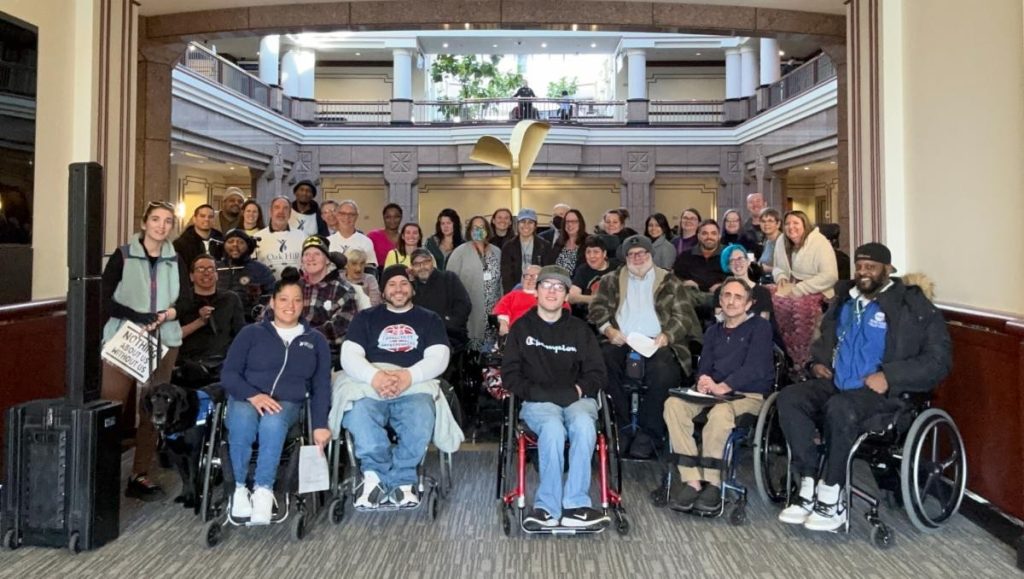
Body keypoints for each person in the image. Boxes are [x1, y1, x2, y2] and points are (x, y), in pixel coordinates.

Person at [776, 243, 951, 532]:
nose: (863, 272)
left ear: (888, 269)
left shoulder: (912, 305)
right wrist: (816, 363)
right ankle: (808, 484)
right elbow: (824, 342)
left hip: (885, 396)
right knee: (790, 397)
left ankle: (832, 496)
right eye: (859, 266)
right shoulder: (845, 299)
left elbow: (938, 361)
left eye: (870, 266)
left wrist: (890, 376)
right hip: (838, 385)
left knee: (840, 407)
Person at [502, 265, 610, 529]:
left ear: (565, 296)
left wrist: (576, 391)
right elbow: (510, 376)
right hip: (538, 401)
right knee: (552, 429)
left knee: (585, 426)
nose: (552, 291)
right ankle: (547, 508)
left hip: (576, 399)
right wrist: (539, 393)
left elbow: (597, 374)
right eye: (546, 285)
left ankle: (576, 505)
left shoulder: (580, 330)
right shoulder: (521, 329)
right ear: (536, 291)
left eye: (558, 287)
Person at [221, 267, 332, 524]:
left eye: (296, 300)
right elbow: (229, 375)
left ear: (303, 304)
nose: (289, 306)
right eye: (283, 299)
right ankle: (239, 489)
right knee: (242, 418)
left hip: (288, 403)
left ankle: (263, 490)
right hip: (246, 398)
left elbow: (321, 386)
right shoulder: (251, 334)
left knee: (273, 421)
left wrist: (320, 425)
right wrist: (253, 396)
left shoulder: (315, 340)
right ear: (272, 302)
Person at [340, 265, 451, 507]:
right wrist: (376, 377)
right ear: (383, 290)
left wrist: (407, 377)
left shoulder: (429, 319)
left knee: (420, 416)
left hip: (415, 383)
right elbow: (349, 355)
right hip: (371, 382)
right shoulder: (366, 317)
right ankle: (374, 476)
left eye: (403, 284)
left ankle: (403, 479)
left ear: (412, 289)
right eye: (392, 284)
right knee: (359, 414)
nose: (398, 289)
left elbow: (439, 357)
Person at [662, 277, 774, 513]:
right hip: (713, 394)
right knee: (674, 405)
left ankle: (713, 481)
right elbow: (705, 365)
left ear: (748, 304)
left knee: (721, 413)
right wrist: (703, 380)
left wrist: (724, 385)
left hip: (748, 395)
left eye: (738, 297)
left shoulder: (759, 328)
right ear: (720, 300)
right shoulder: (713, 330)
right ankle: (691, 479)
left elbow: (756, 367)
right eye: (727, 296)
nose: (731, 301)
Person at [101, 201, 188, 501]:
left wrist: (165, 316)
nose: (161, 226)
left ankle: (139, 474)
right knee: (111, 406)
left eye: (167, 221)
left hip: (164, 341)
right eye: (155, 219)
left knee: (154, 409)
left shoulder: (175, 259)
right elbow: (103, 297)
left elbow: (186, 301)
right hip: (125, 339)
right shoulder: (123, 256)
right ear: (144, 223)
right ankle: (102, 475)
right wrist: (136, 316)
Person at [589, 235, 702, 459]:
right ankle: (620, 429)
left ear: (650, 256)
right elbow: (597, 309)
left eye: (642, 254)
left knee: (664, 371)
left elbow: (683, 315)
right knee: (602, 363)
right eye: (632, 254)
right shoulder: (612, 280)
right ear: (626, 258)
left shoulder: (669, 281)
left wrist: (667, 336)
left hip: (657, 341)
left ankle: (649, 434)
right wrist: (608, 330)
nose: (637, 258)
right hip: (622, 339)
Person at [771, 210, 839, 368]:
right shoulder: (782, 240)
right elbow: (777, 267)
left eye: (796, 223)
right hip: (789, 287)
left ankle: (802, 360)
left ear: (804, 225)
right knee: (766, 298)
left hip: (816, 289)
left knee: (798, 309)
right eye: (787, 223)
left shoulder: (819, 242)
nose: (791, 227)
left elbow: (830, 276)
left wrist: (800, 288)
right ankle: (781, 354)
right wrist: (780, 276)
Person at [177, 254, 245, 377]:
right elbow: (172, 335)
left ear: (217, 275)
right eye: (201, 269)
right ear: (191, 276)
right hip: (189, 364)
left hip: (223, 364)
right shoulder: (180, 301)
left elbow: (241, 335)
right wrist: (200, 321)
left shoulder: (231, 299)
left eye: (211, 269)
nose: (206, 273)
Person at [299, 235, 359, 368]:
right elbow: (270, 314)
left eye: (316, 254)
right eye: (306, 254)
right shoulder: (294, 287)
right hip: (289, 350)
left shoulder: (343, 289)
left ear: (327, 260)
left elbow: (340, 330)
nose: (311, 258)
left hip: (327, 354)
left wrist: (299, 335)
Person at [447, 216, 503, 352]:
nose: (478, 230)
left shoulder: (497, 251)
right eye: (475, 228)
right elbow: (449, 282)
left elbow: (501, 281)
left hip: (493, 310)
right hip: (471, 310)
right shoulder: (459, 252)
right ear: (469, 231)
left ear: (487, 230)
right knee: (473, 353)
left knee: (492, 351)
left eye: (482, 227)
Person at [410, 247, 472, 354]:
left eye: (426, 262)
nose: (422, 267)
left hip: (450, 336)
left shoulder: (449, 278)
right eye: (417, 264)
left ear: (432, 262)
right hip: (419, 339)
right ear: (412, 268)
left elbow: (464, 305)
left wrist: (448, 323)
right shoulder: (411, 288)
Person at [216, 229, 275, 322]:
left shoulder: (261, 270)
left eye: (240, 242)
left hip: (249, 323)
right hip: (218, 324)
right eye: (230, 241)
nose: (235, 245)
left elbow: (272, 295)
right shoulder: (213, 268)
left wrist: (260, 311)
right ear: (223, 245)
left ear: (248, 246)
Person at [493, 264, 569, 335]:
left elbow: (564, 311)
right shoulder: (513, 295)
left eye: (535, 276)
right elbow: (500, 309)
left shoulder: (550, 295)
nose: (530, 279)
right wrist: (503, 322)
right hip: (514, 333)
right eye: (527, 276)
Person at [500, 208, 552, 293]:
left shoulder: (545, 246)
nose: (526, 225)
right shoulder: (508, 246)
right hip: (516, 291)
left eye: (530, 222)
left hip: (538, 291)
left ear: (535, 225)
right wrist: (512, 295)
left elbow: (548, 272)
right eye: (523, 221)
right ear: (517, 224)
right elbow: (506, 277)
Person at [254, 197, 307, 279]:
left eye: (285, 208)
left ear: (289, 214)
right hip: (268, 289)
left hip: (295, 287)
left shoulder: (302, 236)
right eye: (277, 207)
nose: (281, 212)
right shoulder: (257, 237)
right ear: (270, 212)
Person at [567, 236, 617, 319]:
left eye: (596, 252)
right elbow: (572, 297)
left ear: (604, 254)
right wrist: (596, 299)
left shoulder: (616, 268)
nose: (592, 256)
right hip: (588, 317)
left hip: (614, 315)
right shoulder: (583, 270)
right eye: (588, 252)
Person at [672, 219, 726, 293]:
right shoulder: (685, 256)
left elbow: (738, 277)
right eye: (704, 233)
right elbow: (674, 278)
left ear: (719, 236)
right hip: (692, 298)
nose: (709, 237)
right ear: (698, 236)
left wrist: (724, 285)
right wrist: (685, 283)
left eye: (713, 233)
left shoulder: (729, 254)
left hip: (722, 297)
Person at [327, 200, 378, 268]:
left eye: (351, 214)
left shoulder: (366, 241)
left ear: (356, 216)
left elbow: (371, 268)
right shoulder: (328, 241)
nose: (347, 217)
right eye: (343, 213)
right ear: (337, 215)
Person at [174, 204, 224, 272]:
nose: (206, 219)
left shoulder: (221, 241)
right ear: (194, 219)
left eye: (210, 217)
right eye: (202, 216)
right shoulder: (180, 244)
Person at [549, 208, 586, 277]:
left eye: (574, 221)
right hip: (556, 282)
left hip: (576, 285)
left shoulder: (587, 242)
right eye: (567, 221)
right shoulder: (559, 242)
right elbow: (550, 265)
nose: (570, 224)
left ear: (580, 223)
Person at [367, 203, 403, 267]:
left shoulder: (406, 238)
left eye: (396, 217)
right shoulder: (373, 236)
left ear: (401, 217)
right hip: (378, 274)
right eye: (388, 217)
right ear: (383, 218)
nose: (392, 220)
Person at [757, 208, 783, 280]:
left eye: (770, 221)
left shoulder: (783, 242)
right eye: (763, 221)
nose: (766, 224)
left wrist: (767, 269)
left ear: (778, 224)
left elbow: (786, 270)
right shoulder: (766, 241)